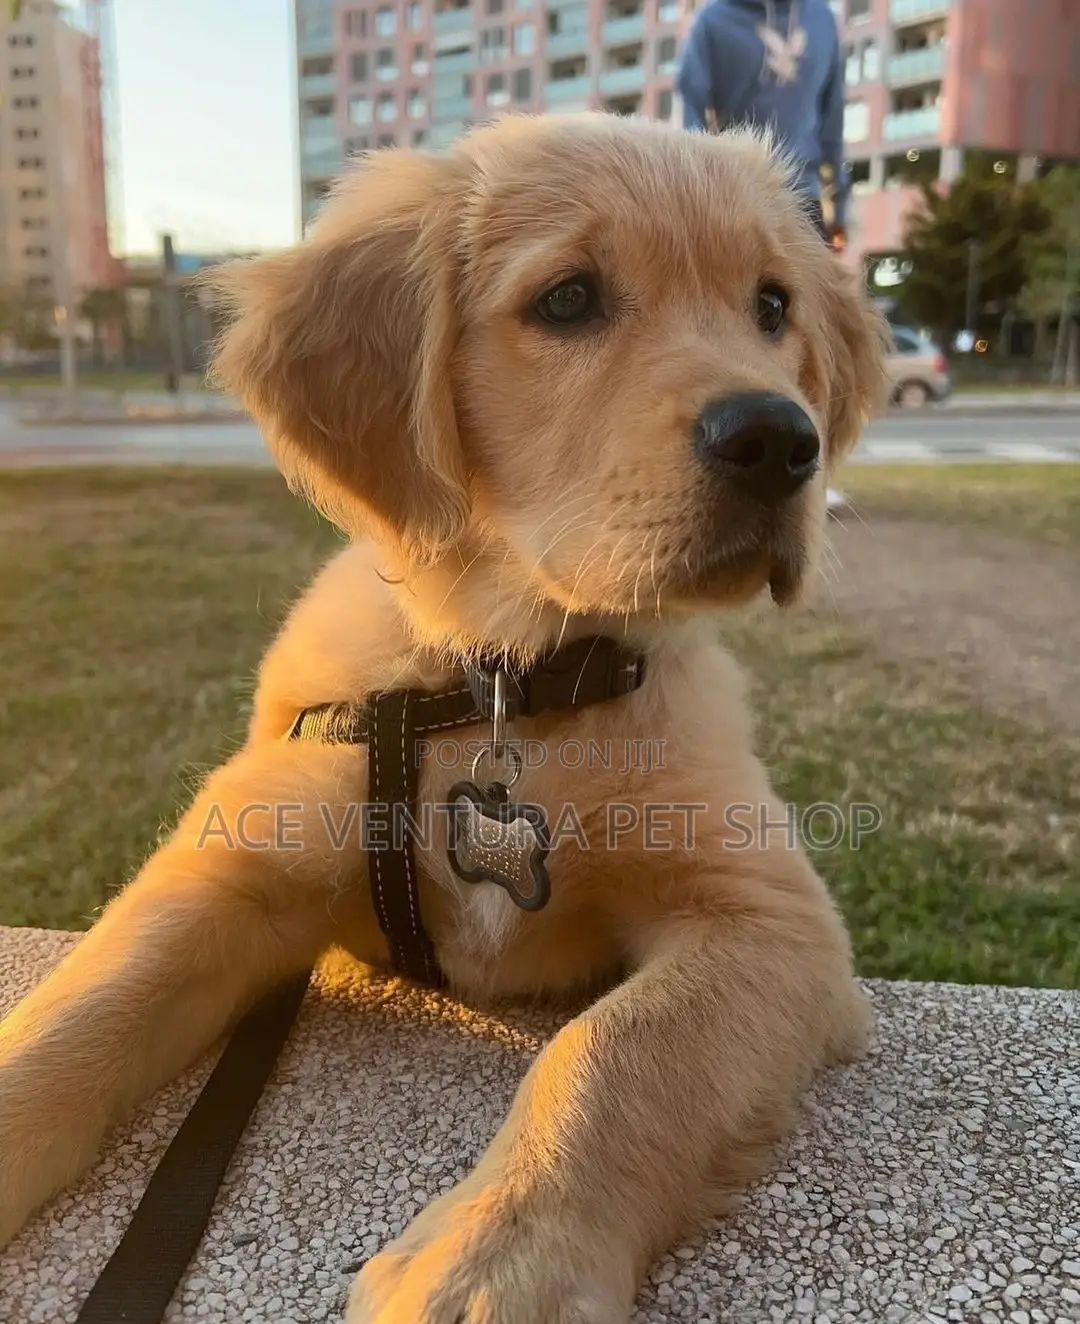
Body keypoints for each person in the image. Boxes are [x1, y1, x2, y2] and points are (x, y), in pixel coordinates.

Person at [676, 0, 853, 513]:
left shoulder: (820, 19)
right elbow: (691, 103)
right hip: (722, 206)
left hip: (802, 204)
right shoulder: (714, 21)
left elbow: (832, 118)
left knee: (813, 343)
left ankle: (812, 477)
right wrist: (695, 192)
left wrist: (838, 202)